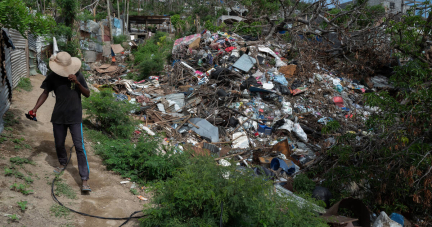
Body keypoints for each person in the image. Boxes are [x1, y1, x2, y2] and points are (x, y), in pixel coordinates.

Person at [31, 52, 91, 192]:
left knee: (79, 146)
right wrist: (35, 108)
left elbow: (87, 94)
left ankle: (84, 180)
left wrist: (77, 83)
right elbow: (45, 93)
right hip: (59, 116)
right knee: (59, 143)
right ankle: (62, 163)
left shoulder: (78, 75)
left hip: (75, 116)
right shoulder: (52, 76)